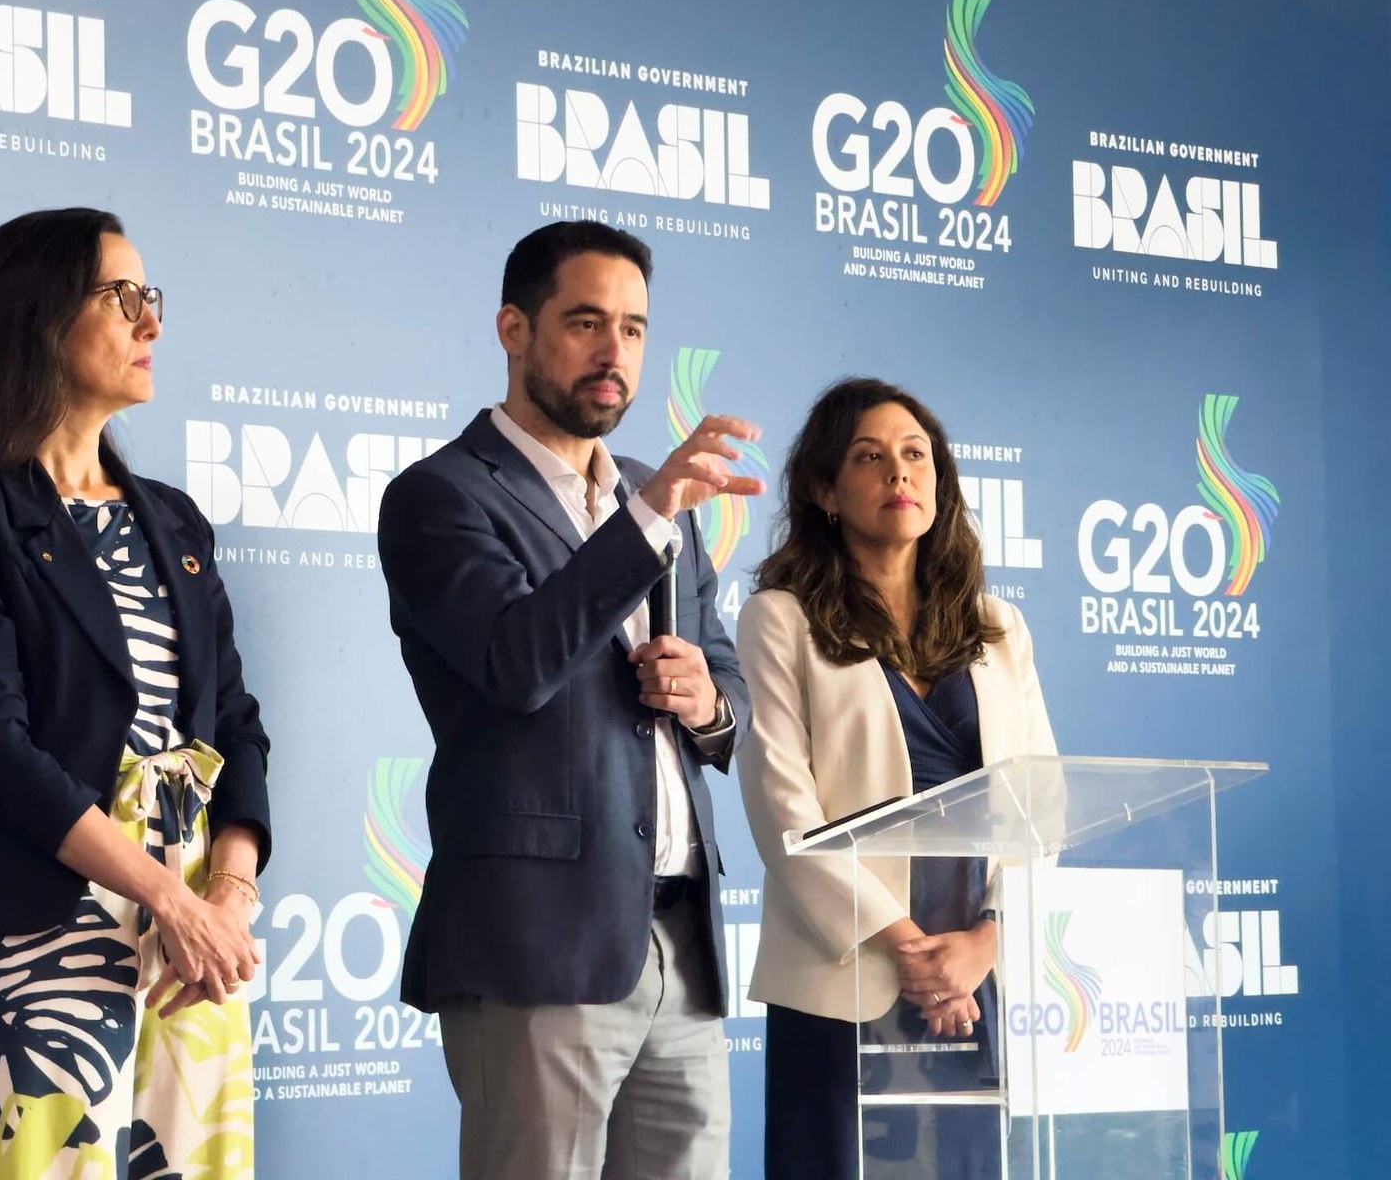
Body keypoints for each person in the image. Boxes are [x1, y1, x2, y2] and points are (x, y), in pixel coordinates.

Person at [0, 208, 271, 1179]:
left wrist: (222, 894)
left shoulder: (172, 521)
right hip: (35, 940)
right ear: (40, 317)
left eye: (153, 298)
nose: (152, 323)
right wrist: (163, 900)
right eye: (122, 296)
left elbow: (239, 730)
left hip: (191, 951)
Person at [378, 220, 762, 1180]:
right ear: (514, 329)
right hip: (538, 942)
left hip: (680, 935)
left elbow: (729, 677)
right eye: (586, 323)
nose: (614, 353)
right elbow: (517, 660)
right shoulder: (442, 496)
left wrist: (707, 701)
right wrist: (645, 520)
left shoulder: (646, 496)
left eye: (633, 329)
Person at [736, 378, 1057, 1178]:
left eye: (916, 455)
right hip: (843, 974)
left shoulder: (998, 627)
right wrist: (915, 955)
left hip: (978, 987)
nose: (899, 474)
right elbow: (784, 811)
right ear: (824, 490)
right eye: (870, 458)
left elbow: (1042, 802)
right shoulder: (781, 618)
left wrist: (987, 943)